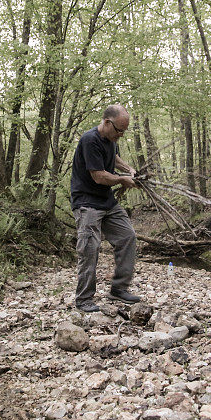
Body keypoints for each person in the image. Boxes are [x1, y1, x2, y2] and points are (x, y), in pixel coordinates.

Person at [70, 104, 141, 313]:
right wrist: (123, 180)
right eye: (119, 130)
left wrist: (129, 169)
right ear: (107, 123)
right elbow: (99, 175)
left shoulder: (111, 139)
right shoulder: (90, 140)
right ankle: (84, 299)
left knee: (127, 236)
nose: (121, 135)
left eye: (124, 131)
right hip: (87, 202)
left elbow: (114, 158)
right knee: (89, 248)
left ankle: (119, 289)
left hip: (106, 201)